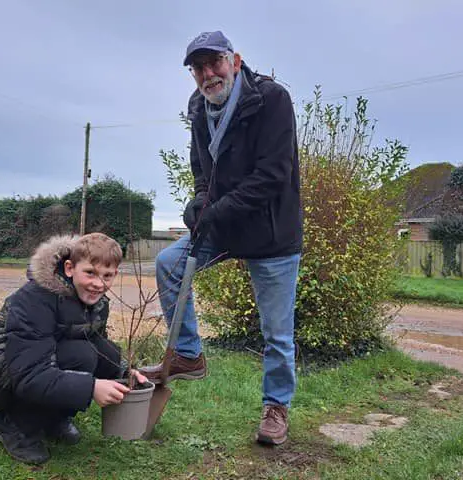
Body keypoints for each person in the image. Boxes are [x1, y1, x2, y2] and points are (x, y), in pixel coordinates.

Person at [140, 31, 302, 446]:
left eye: (215, 63)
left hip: (271, 231)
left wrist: (215, 210)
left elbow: (272, 175)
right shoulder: (199, 106)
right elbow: (202, 165)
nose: (208, 74)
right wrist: (199, 201)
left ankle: (276, 406)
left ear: (235, 60)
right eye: (198, 68)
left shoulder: (271, 100)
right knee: (169, 264)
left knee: (277, 333)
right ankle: (190, 355)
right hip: (224, 225)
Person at [0, 232, 147, 464]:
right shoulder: (35, 298)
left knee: (99, 352)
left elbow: (99, 344)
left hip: (34, 363)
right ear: (70, 268)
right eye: (90, 273)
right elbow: (29, 375)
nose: (98, 283)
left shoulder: (97, 302)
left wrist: (125, 372)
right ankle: (15, 427)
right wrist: (90, 387)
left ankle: (53, 418)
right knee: (80, 356)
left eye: (107, 275)